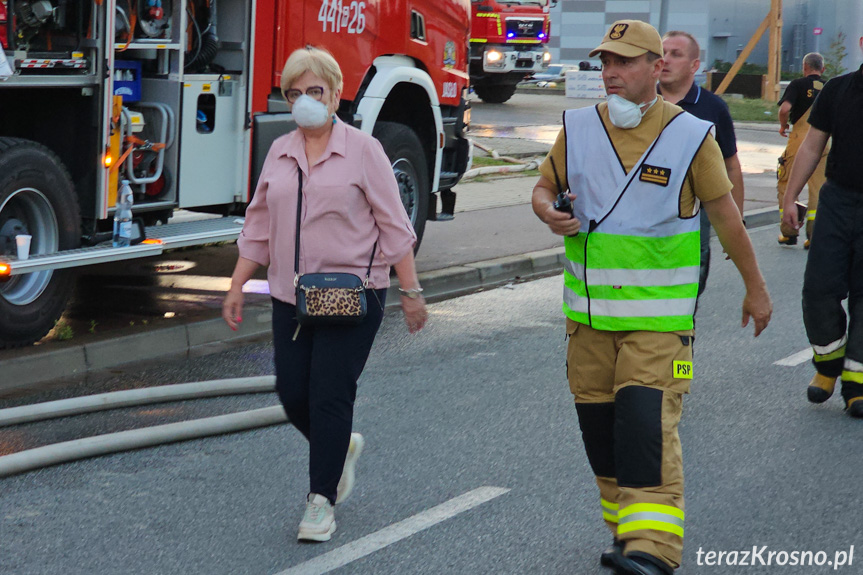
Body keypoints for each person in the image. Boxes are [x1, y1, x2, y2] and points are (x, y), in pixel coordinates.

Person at [532, 20, 772, 575]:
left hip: (659, 326)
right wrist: (548, 211)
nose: (610, 74)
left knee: (644, 424)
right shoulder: (577, 128)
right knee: (601, 434)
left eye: (623, 63)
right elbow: (543, 187)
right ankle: (626, 535)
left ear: (655, 68)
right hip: (586, 323)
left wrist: (755, 288)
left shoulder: (691, 136)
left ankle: (654, 550)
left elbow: (728, 217)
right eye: (604, 64)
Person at [222, 46, 428, 542]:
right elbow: (259, 222)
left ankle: (321, 500)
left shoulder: (364, 150)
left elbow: (394, 225)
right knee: (293, 394)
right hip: (293, 296)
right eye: (295, 93)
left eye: (315, 91)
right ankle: (339, 447)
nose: (305, 101)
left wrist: (412, 290)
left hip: (354, 295)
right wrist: (235, 283)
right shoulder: (280, 150)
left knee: (329, 394)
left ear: (336, 95)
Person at [781, 37, 863, 417]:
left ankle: (856, 382)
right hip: (838, 200)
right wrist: (789, 197)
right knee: (818, 289)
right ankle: (828, 364)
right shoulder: (837, 89)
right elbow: (812, 145)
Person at [658, 31, 746, 296]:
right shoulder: (641, 102)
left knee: (687, 296)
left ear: (694, 65)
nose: (665, 60)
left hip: (695, 216)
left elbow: (731, 167)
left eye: (675, 54)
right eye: (662, 52)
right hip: (647, 213)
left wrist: (735, 227)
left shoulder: (713, 108)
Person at [776, 52, 828, 249]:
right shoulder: (829, 86)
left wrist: (783, 125)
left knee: (787, 184)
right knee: (818, 189)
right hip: (824, 143)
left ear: (805, 68)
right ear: (822, 70)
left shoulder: (797, 85)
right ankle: (813, 236)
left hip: (799, 141)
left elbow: (784, 109)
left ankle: (789, 231)